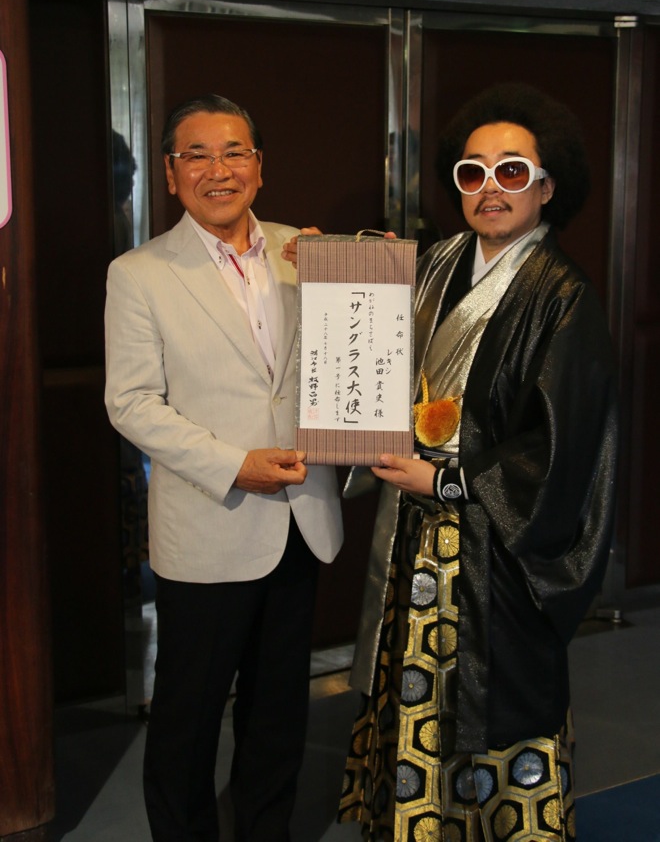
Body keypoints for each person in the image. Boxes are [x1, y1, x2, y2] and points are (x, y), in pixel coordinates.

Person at [336, 83, 619, 841]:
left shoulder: (564, 296)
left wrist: (446, 479)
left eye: (512, 171)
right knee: (414, 694)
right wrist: (347, 277)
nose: (490, 188)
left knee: (495, 712)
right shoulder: (434, 266)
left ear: (548, 186)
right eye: (473, 172)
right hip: (413, 530)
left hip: (495, 548)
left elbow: (560, 448)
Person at [104, 93, 343, 842]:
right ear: (171, 174)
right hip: (211, 526)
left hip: (301, 520)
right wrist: (235, 465)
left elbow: (357, 353)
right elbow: (131, 404)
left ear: (259, 167)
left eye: (235, 152)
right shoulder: (139, 273)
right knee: (188, 720)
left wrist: (362, 275)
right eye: (197, 155)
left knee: (279, 715)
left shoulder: (306, 253)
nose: (219, 170)